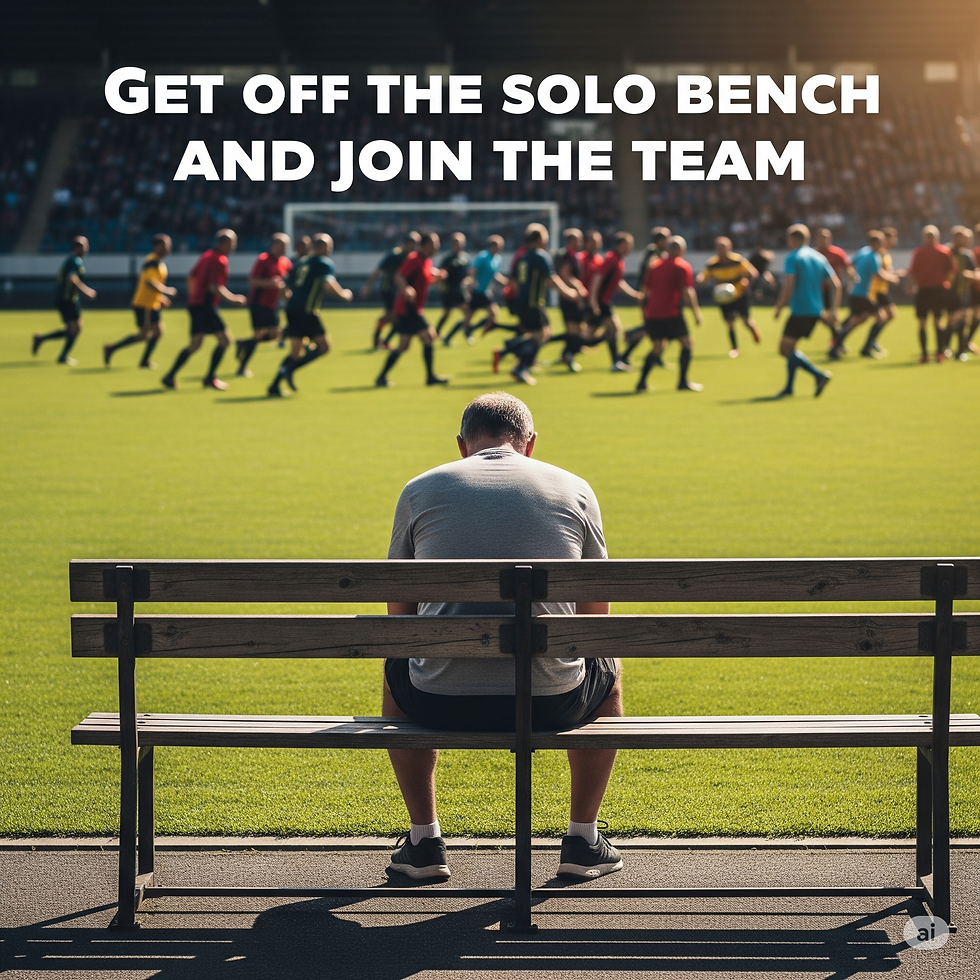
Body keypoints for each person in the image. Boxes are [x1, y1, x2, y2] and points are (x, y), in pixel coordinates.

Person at [383, 392, 623, 882]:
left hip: (437, 700)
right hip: (554, 700)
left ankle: (425, 842)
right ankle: (582, 838)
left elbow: (399, 611)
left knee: (398, 664)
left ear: (461, 445)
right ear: (530, 444)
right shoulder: (575, 489)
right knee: (608, 665)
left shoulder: (420, 489)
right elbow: (596, 615)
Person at [267, 233, 352, 397]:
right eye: (329, 247)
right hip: (307, 311)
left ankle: (274, 386)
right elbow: (328, 284)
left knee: (295, 352)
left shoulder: (301, 262)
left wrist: (289, 302)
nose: (331, 250)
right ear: (321, 247)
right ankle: (291, 370)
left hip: (292, 309)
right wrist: (344, 295)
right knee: (324, 347)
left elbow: (284, 285)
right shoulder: (323, 263)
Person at [161, 229, 246, 391]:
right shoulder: (219, 260)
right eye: (232, 243)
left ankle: (169, 376)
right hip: (205, 305)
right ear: (223, 243)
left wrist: (193, 295)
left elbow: (190, 276)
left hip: (196, 304)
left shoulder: (206, 255)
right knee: (225, 340)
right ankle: (209, 378)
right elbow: (213, 287)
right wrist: (233, 299)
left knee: (195, 344)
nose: (234, 246)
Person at [499, 226, 579, 385]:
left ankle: (514, 352)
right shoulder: (540, 256)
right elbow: (552, 279)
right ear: (538, 240)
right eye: (545, 238)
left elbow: (514, 282)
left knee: (542, 334)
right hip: (533, 303)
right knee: (541, 335)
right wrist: (568, 292)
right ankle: (519, 364)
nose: (546, 242)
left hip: (522, 302)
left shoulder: (523, 257)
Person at [375, 233, 450, 388]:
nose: (437, 248)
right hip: (408, 308)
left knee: (403, 345)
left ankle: (381, 377)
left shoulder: (426, 261)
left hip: (412, 308)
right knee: (429, 337)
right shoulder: (414, 259)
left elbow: (427, 280)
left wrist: (439, 278)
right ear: (426, 245)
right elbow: (399, 276)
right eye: (435, 244)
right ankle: (430, 377)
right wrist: (406, 289)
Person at [772, 224, 838, 398]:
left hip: (800, 311)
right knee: (791, 348)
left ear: (791, 239)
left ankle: (819, 375)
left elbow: (789, 285)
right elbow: (836, 285)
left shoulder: (792, 258)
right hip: (815, 311)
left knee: (784, 349)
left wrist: (779, 306)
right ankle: (789, 388)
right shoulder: (818, 257)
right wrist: (833, 311)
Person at [635, 236, 703, 392]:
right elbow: (687, 292)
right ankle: (682, 382)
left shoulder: (655, 266)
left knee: (657, 347)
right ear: (682, 250)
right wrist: (696, 313)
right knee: (687, 344)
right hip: (671, 313)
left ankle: (641, 382)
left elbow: (646, 292)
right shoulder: (681, 266)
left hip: (653, 314)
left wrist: (645, 313)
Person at [103, 233, 176, 369]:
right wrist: (166, 291)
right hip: (145, 304)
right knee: (144, 335)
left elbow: (151, 284)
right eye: (167, 245)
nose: (169, 248)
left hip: (151, 304)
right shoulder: (152, 261)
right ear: (158, 246)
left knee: (156, 332)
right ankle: (112, 348)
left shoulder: (158, 262)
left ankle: (143, 360)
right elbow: (149, 282)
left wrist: (161, 298)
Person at [830, 231, 899, 359]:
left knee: (855, 321)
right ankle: (867, 348)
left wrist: (852, 277)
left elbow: (848, 263)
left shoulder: (863, 251)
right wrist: (893, 278)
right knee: (881, 318)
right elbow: (878, 274)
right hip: (864, 294)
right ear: (876, 243)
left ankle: (834, 348)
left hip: (855, 293)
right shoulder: (874, 256)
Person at [32, 236, 96, 365]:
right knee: (76, 328)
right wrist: (86, 291)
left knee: (74, 328)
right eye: (85, 246)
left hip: (65, 299)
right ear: (78, 248)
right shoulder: (75, 261)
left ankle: (42, 339)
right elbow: (72, 279)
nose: (87, 249)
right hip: (67, 299)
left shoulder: (72, 260)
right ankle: (62, 356)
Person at [237, 233, 292, 377]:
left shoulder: (285, 262)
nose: (284, 249)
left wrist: (286, 298)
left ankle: (243, 344)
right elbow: (252, 280)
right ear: (274, 245)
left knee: (274, 334)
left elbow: (285, 284)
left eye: (286, 246)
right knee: (260, 334)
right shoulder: (263, 260)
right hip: (259, 303)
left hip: (272, 304)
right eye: (282, 246)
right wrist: (271, 284)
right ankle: (242, 367)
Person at [696, 237, 761, 358]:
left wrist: (747, 284)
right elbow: (703, 278)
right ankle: (734, 348)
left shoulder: (737, 260)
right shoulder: (712, 264)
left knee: (746, 320)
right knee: (730, 322)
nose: (721, 251)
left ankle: (753, 329)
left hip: (739, 294)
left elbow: (753, 273)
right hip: (723, 297)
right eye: (718, 248)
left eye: (723, 248)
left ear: (729, 248)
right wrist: (700, 279)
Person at [587, 232, 642, 372]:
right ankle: (616, 362)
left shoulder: (618, 260)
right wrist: (593, 301)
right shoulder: (611, 259)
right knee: (614, 329)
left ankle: (568, 352)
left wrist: (634, 295)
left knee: (589, 335)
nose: (630, 248)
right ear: (621, 245)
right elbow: (597, 278)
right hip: (601, 301)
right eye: (629, 245)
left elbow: (618, 283)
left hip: (602, 301)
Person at [442, 235, 507, 345]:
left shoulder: (497, 259)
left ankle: (467, 330)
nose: (500, 248)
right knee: (468, 318)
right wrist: (469, 284)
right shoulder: (483, 256)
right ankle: (454, 335)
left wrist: (506, 283)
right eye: (499, 246)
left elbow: (494, 275)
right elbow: (472, 271)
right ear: (492, 246)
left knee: (490, 315)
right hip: (477, 291)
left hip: (485, 292)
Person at [363, 231, 422, 349]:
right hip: (388, 289)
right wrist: (368, 286)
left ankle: (380, 338)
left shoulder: (412, 256)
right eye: (415, 244)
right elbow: (378, 270)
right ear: (408, 243)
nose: (417, 247)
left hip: (400, 291)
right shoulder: (395, 255)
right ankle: (381, 340)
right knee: (397, 317)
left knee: (395, 316)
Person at [907, 224, 957, 363]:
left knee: (923, 323)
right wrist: (947, 283)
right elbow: (952, 271)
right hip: (938, 290)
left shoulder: (919, 252)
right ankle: (939, 354)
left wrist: (911, 287)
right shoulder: (944, 251)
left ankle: (925, 355)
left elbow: (912, 273)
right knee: (937, 322)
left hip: (924, 290)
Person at [814, 228, 856, 340]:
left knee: (833, 315)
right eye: (820, 238)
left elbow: (847, 267)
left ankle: (837, 340)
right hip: (817, 290)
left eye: (825, 238)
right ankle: (838, 338)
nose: (823, 240)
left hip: (833, 289)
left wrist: (852, 278)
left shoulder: (837, 252)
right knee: (818, 315)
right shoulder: (814, 254)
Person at [946, 226, 977, 361]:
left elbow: (975, 274)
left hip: (962, 293)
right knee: (950, 322)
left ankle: (959, 350)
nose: (965, 241)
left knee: (962, 321)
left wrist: (967, 275)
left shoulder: (967, 255)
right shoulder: (947, 252)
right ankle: (944, 348)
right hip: (947, 294)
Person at [434, 233, 471, 337]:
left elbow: (469, 274)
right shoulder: (448, 257)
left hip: (460, 290)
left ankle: (464, 332)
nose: (457, 244)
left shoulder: (466, 258)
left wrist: (467, 282)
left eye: (458, 242)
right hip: (449, 290)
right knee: (446, 314)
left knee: (467, 312)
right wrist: (440, 284)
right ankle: (436, 331)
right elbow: (442, 272)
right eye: (454, 242)